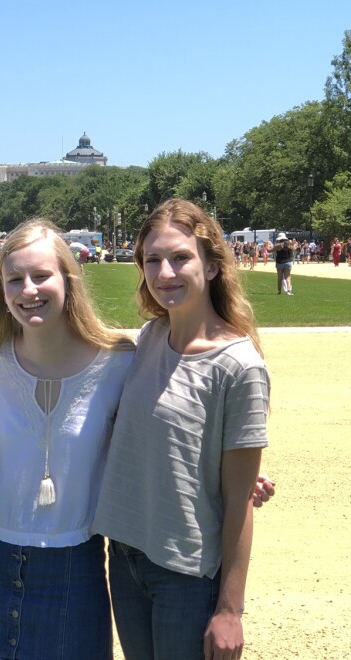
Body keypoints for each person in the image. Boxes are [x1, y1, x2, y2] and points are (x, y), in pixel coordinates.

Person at [93, 199, 270, 660]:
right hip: (126, 555)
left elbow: (238, 502)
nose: (164, 272)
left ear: (211, 266)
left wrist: (230, 609)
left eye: (180, 257)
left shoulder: (238, 366)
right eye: (152, 260)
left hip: (185, 573)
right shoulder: (151, 338)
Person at [0, 219, 136, 659]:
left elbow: (157, 437)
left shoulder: (119, 363)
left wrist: (229, 471)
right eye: (14, 279)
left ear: (68, 279)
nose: (27, 290)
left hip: (73, 566)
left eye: (41, 276)